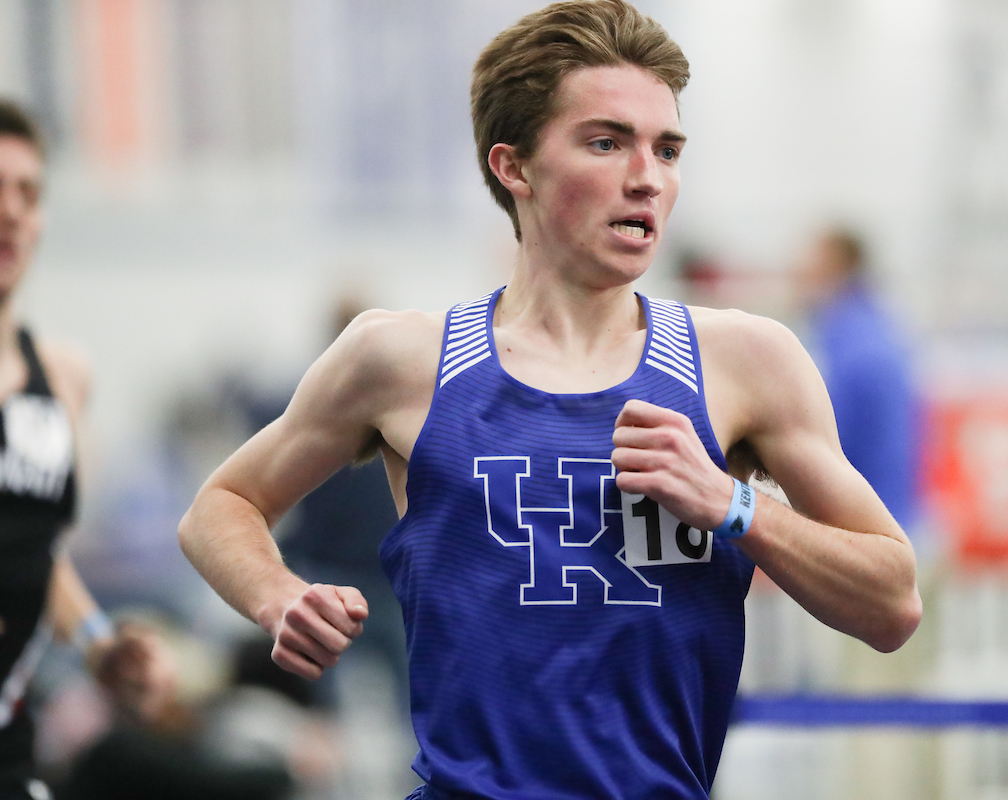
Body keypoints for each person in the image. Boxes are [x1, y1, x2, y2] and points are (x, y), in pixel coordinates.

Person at [177, 2, 922, 798]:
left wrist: (733, 505)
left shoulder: (747, 362)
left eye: (667, 149)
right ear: (515, 167)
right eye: (607, 142)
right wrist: (278, 596)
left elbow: (892, 605)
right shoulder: (401, 360)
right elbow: (220, 507)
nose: (647, 177)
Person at [0, 101, 172, 799]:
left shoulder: (62, 376)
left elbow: (35, 553)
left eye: (28, 193)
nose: (11, 211)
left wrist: (100, 644)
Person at [790, 227, 919, 530]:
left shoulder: (849, 345)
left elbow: (823, 440)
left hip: (860, 521)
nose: (799, 275)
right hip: (894, 512)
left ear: (834, 268)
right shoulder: (879, 328)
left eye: (810, 265)